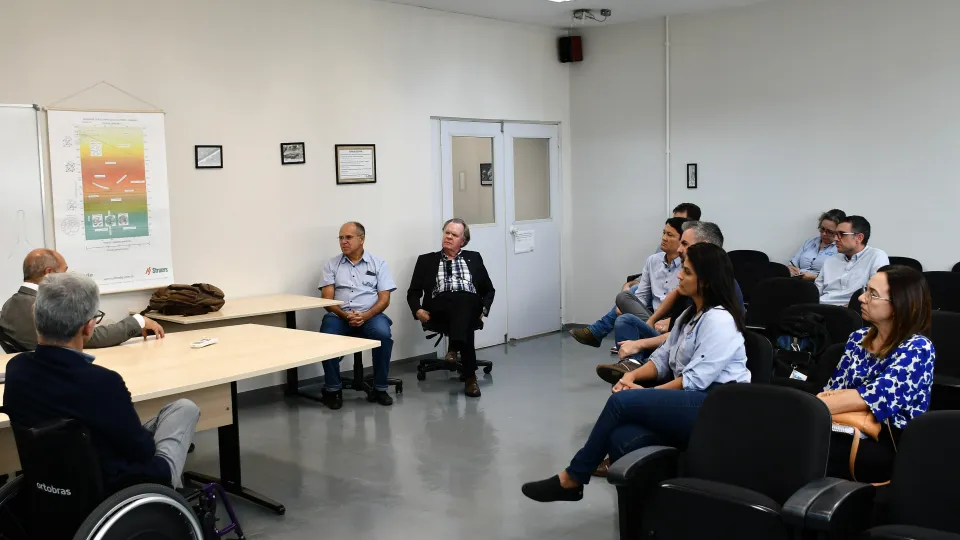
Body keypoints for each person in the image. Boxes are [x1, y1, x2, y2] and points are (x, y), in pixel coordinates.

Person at [520, 243, 750, 502]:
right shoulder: (690, 314)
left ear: (705, 281)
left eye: (686, 272)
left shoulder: (719, 320)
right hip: (692, 399)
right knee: (621, 437)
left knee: (622, 402)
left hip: (716, 406)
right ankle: (643, 513)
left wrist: (645, 394)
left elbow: (695, 380)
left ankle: (572, 479)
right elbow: (662, 359)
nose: (679, 276)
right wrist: (631, 377)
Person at [3, 273, 199, 493]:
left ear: (35, 316)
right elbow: (142, 451)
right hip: (112, 484)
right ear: (88, 327)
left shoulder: (16, 369)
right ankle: (171, 490)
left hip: (50, 479)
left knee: (169, 413)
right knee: (185, 409)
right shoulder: (103, 383)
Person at [819, 265, 935, 483]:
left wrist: (807, 409)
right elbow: (834, 390)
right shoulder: (858, 338)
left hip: (887, 441)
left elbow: (874, 397)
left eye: (873, 294)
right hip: (844, 426)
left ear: (898, 306)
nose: (862, 298)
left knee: (805, 446)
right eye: (866, 290)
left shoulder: (919, 348)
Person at [596, 221, 745, 384]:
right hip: (674, 349)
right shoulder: (690, 294)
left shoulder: (718, 311)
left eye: (685, 244)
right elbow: (675, 338)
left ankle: (632, 363)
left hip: (696, 381)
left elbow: (693, 379)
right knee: (625, 318)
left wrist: (640, 345)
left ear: (703, 247)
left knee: (624, 398)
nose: (680, 249)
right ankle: (632, 365)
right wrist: (652, 321)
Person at [0, 249, 165, 352]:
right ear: (49, 273)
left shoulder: (8, 306)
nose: (68, 276)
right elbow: (89, 338)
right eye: (65, 271)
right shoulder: (47, 306)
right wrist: (138, 321)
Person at [569, 214, 692, 349]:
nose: (664, 238)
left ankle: (604, 337)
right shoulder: (653, 260)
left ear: (682, 241)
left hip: (674, 321)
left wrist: (670, 320)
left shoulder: (688, 266)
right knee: (624, 297)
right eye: (663, 233)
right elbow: (643, 295)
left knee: (624, 316)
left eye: (670, 235)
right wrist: (630, 308)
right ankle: (639, 353)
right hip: (651, 318)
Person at [408, 218, 495, 398]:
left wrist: (483, 310)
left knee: (465, 300)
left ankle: (454, 349)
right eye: (446, 233)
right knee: (464, 315)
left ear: (463, 241)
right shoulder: (426, 260)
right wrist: (417, 310)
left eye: (454, 235)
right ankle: (470, 377)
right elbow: (413, 292)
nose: (448, 237)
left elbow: (488, 290)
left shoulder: (474, 257)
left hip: (470, 305)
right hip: (439, 307)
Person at [318, 222, 397, 408]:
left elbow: (385, 299)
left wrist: (366, 315)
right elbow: (326, 299)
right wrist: (346, 316)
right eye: (341, 238)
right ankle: (333, 389)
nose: (343, 242)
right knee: (326, 336)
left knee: (383, 335)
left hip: (371, 315)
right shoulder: (331, 265)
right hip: (339, 315)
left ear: (361, 239)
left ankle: (380, 388)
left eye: (348, 237)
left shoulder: (379, 264)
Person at [816, 216, 890, 306]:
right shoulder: (831, 260)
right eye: (835, 234)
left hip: (852, 312)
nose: (835, 239)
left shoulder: (876, 256)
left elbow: (875, 293)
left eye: (841, 234)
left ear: (859, 237)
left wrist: (852, 308)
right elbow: (816, 290)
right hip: (820, 308)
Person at [788, 209, 846, 280]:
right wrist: (791, 268)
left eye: (829, 232)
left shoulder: (841, 248)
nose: (824, 234)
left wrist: (815, 277)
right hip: (798, 281)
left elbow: (840, 277)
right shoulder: (810, 242)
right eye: (822, 229)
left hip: (820, 285)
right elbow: (793, 263)